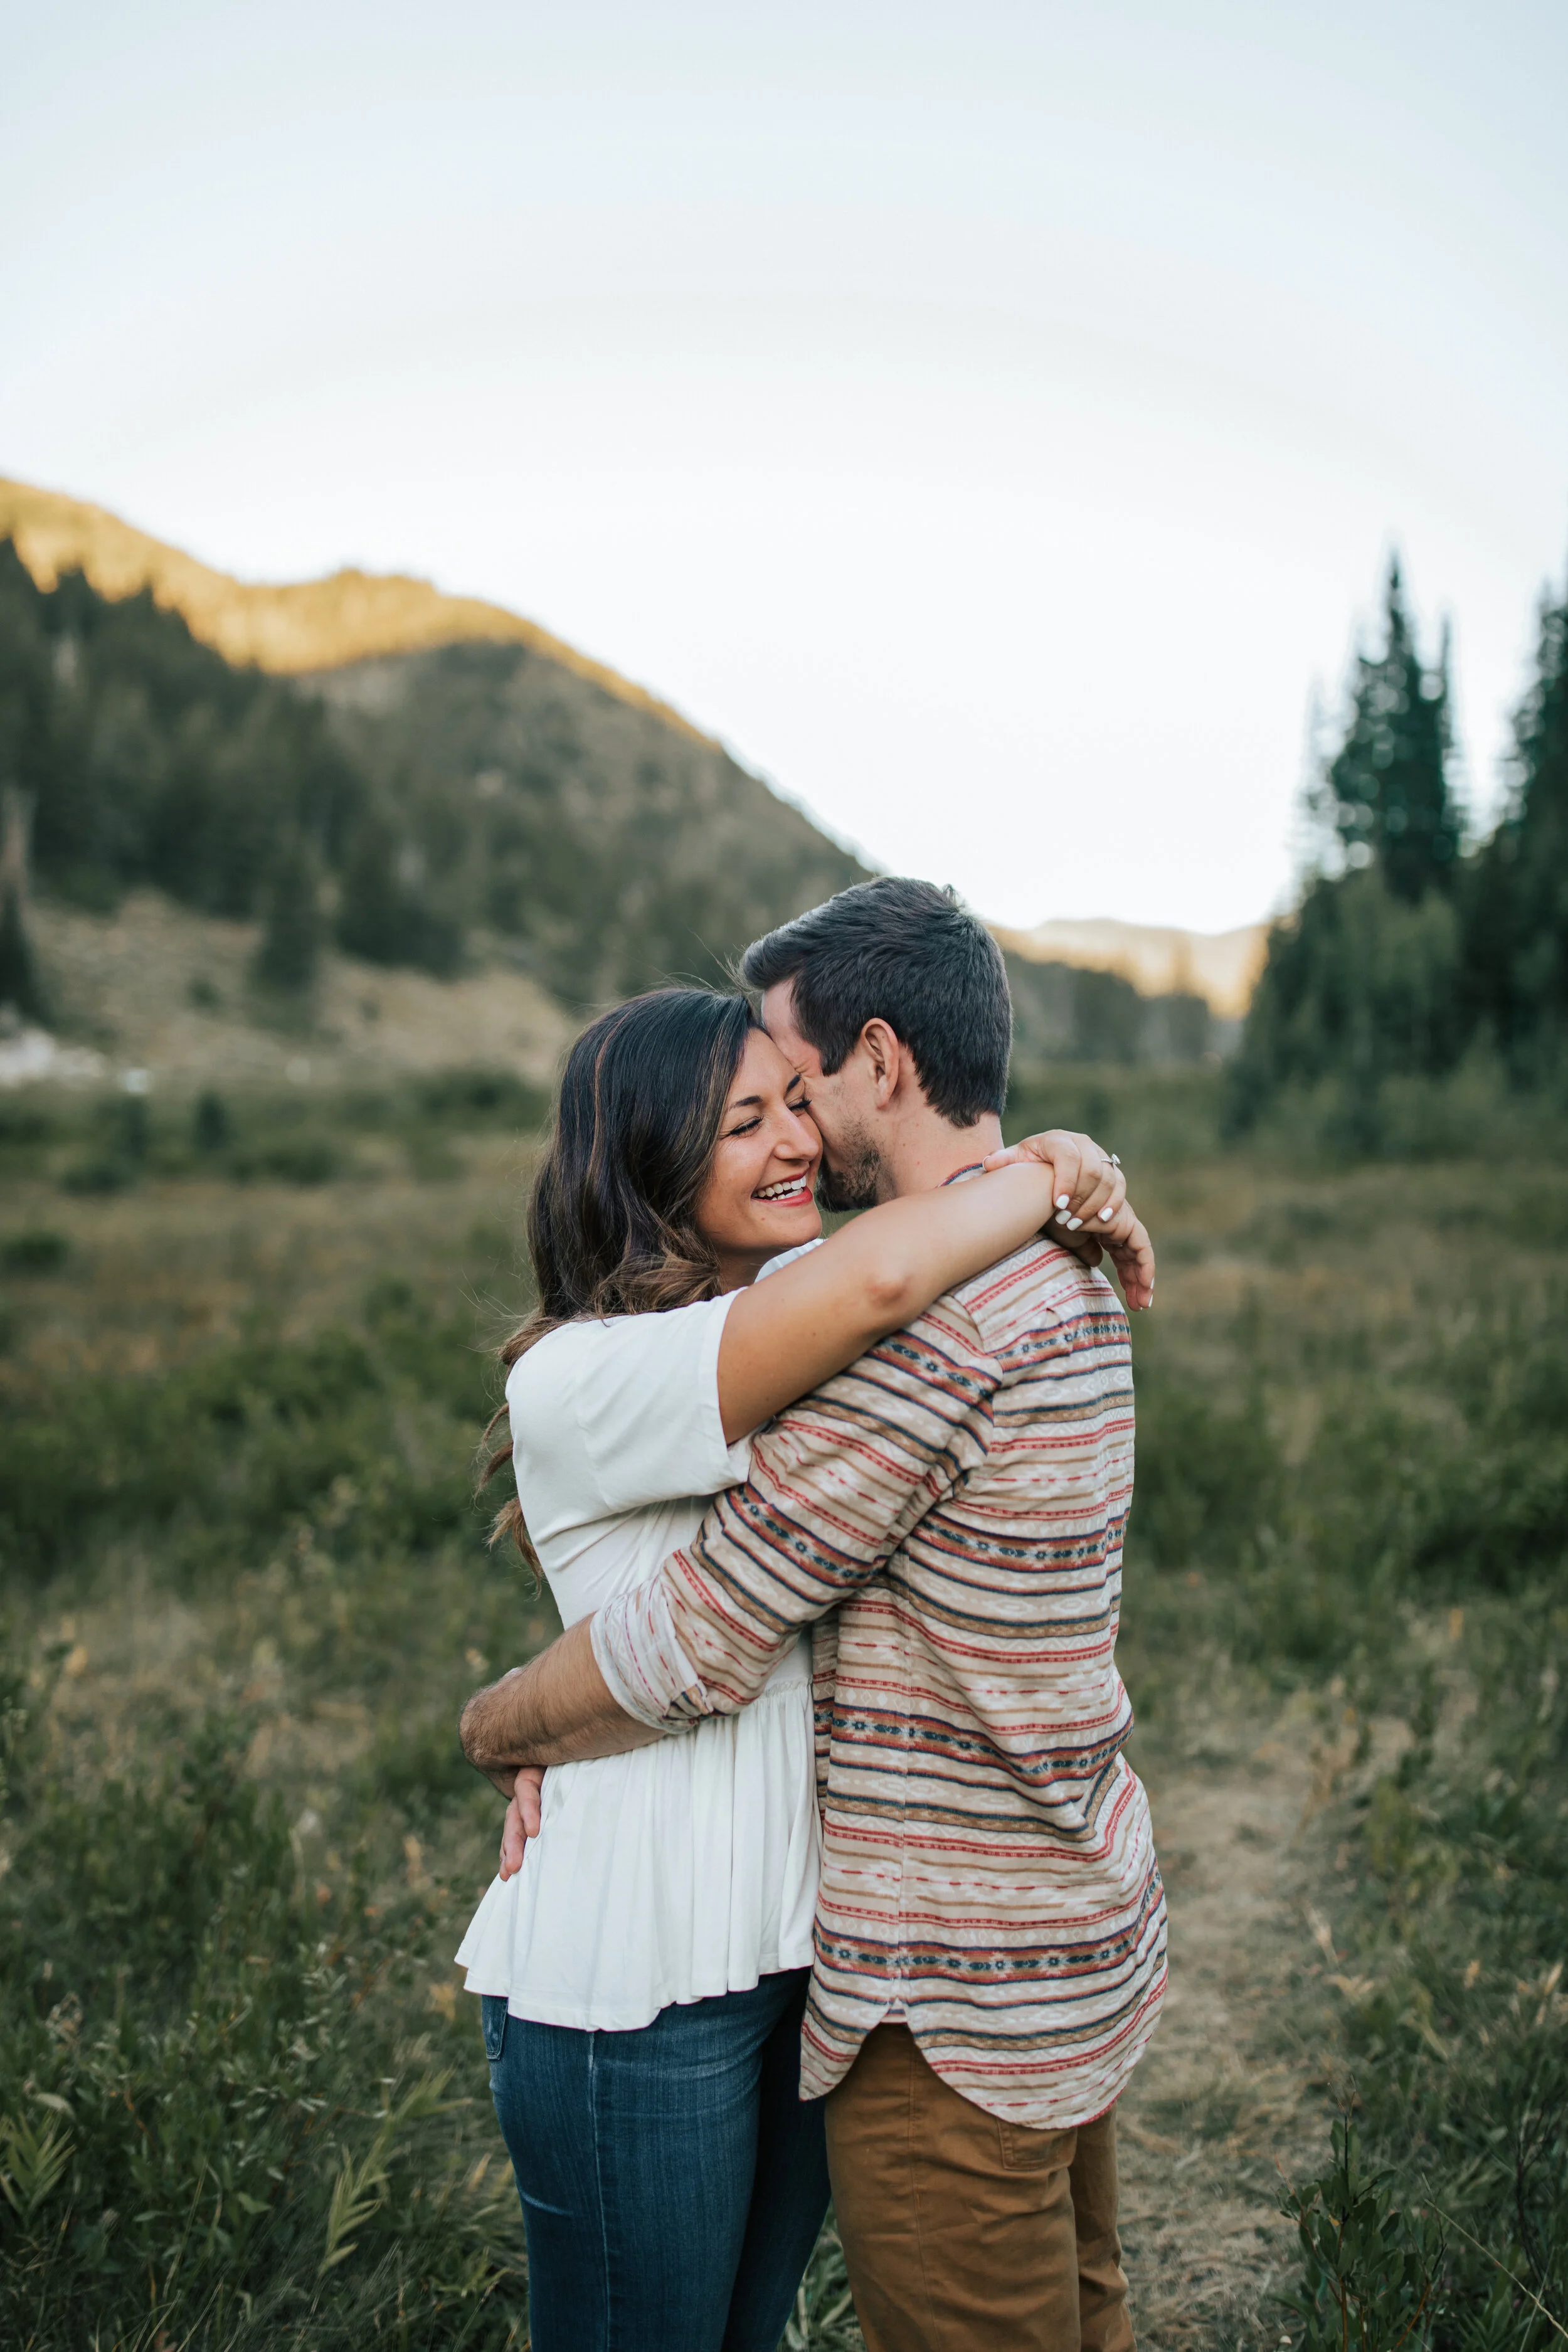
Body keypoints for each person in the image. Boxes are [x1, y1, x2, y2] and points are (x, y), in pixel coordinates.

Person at [463, 877, 1167, 2352]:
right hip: (689, 1959)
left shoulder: (901, 1314)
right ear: (656, 1156)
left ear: (880, 1060)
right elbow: (697, 1624)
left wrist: (512, 1717)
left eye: (798, 1090)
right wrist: (1045, 1168)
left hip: (884, 1963)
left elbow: (703, 1631)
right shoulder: (1031, 1284)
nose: (792, 1135)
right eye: (746, 1116)